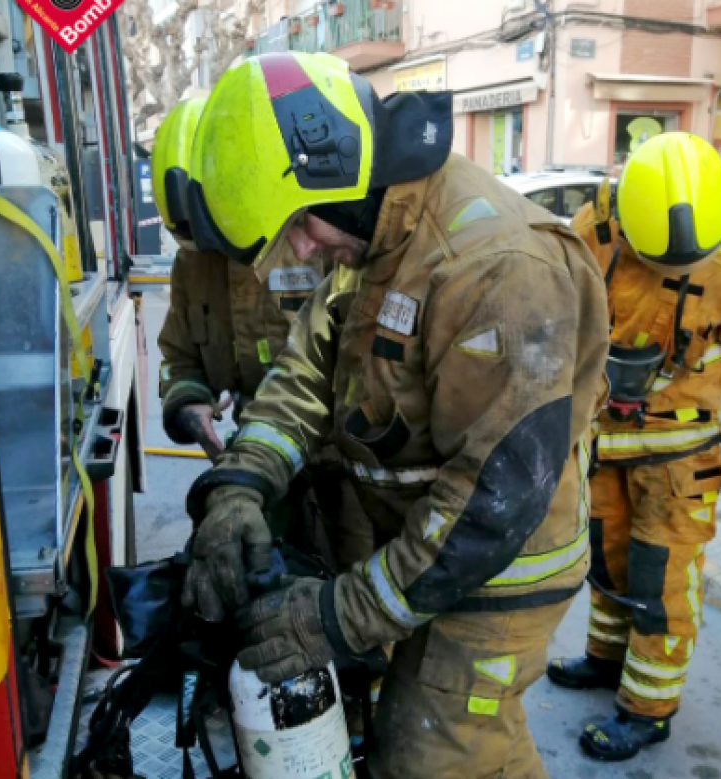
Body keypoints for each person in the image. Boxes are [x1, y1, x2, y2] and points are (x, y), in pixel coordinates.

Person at [181, 51, 610, 779]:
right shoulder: (376, 238)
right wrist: (242, 482)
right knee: (478, 750)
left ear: (340, 170)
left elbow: (491, 504)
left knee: (425, 759)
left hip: (496, 574)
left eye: (302, 224)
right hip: (427, 551)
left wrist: (337, 615)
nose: (302, 247)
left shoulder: (497, 267)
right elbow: (307, 369)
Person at [549, 133, 721, 763]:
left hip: (682, 463)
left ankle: (648, 709)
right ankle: (605, 658)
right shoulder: (592, 232)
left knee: (661, 579)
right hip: (602, 445)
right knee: (606, 560)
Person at [151, 97, 372, 570]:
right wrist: (188, 404)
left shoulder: (318, 240)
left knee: (353, 592)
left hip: (350, 480)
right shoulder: (193, 264)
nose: (209, 253)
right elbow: (178, 354)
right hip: (261, 469)